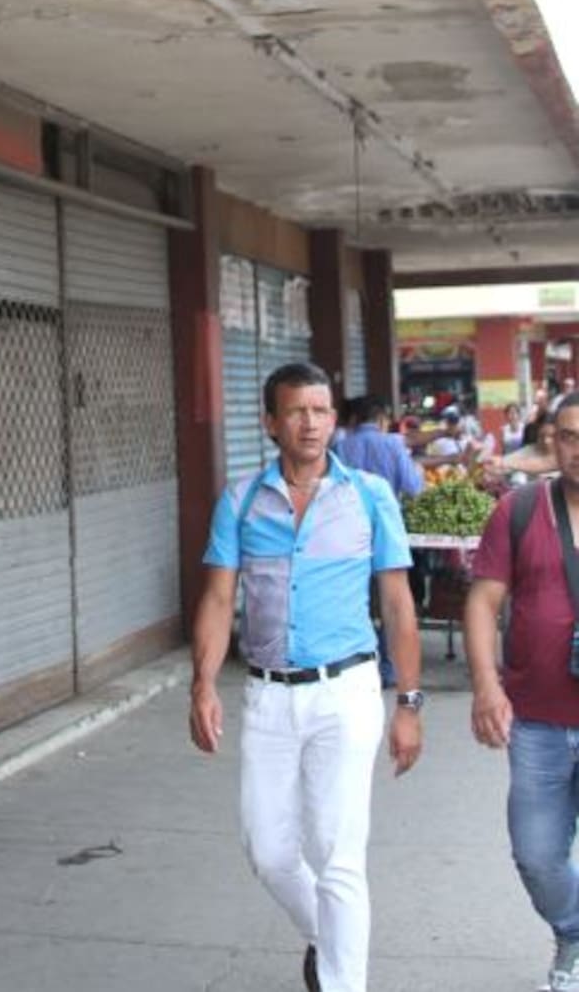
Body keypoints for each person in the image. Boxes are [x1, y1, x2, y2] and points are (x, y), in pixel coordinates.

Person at [189, 362, 423, 992]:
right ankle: (329, 937)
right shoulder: (241, 501)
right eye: (296, 411)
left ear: (334, 420)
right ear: (271, 422)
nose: (311, 423)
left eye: (320, 411)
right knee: (266, 850)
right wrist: (202, 684)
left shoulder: (369, 495)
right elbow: (218, 598)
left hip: (347, 691)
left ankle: (344, 980)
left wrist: (409, 703)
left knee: (339, 855)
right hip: (268, 695)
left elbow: (398, 603)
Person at [465, 393, 579, 992]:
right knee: (536, 854)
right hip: (537, 720)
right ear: (551, 441)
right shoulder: (521, 509)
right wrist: (487, 687)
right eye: (569, 436)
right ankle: (574, 933)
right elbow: (483, 603)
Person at [334, 397, 424, 688]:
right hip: (387, 534)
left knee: (354, 600)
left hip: (347, 534)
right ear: (382, 419)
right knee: (392, 603)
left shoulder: (341, 446)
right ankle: (389, 669)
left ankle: (355, 666)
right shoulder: (393, 445)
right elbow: (413, 487)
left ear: (354, 420)